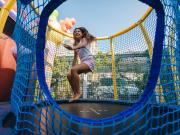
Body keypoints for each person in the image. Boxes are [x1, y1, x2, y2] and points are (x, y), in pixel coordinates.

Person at [63, 27, 96, 102]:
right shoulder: (75, 44)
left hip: (89, 61)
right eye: (75, 32)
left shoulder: (84, 39)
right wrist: (71, 70)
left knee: (73, 70)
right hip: (83, 62)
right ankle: (75, 94)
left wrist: (72, 48)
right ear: (74, 35)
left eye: (78, 31)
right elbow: (75, 58)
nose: (77, 32)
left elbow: (83, 45)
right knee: (69, 75)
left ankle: (78, 93)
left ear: (82, 34)